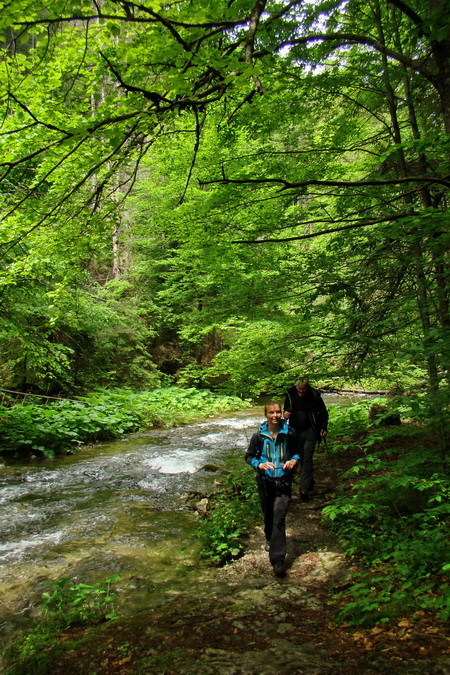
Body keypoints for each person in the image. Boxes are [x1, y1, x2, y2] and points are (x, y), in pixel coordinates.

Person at [245, 401, 299, 577]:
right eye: (271, 413)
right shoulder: (258, 435)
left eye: (278, 412)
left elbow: (298, 453)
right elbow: (249, 456)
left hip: (283, 482)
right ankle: (269, 538)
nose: (275, 416)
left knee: (279, 518)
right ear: (266, 415)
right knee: (268, 514)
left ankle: (278, 560)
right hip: (265, 483)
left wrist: (293, 461)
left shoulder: (290, 433)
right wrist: (259, 465)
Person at [283, 377, 328, 502]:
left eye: (304, 389)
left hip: (310, 430)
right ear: (296, 387)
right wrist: (285, 414)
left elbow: (323, 413)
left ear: (308, 387)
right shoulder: (290, 394)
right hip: (294, 431)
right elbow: (286, 410)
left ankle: (304, 489)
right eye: (299, 388)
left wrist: (323, 428)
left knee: (307, 457)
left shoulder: (314, 396)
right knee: (299, 457)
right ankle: (310, 483)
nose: (301, 391)